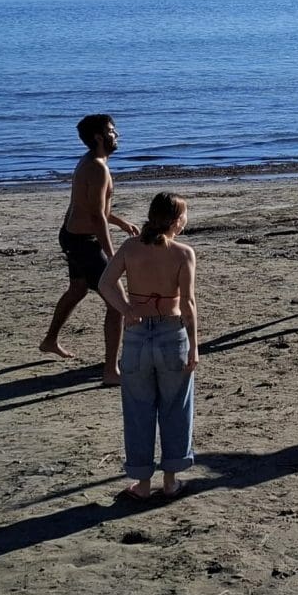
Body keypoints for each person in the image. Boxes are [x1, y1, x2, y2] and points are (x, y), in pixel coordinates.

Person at [99, 192, 198, 500]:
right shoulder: (183, 253)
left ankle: (142, 484)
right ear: (176, 221)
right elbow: (188, 303)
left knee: (138, 410)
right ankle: (170, 480)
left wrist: (127, 309)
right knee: (176, 407)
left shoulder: (131, 247)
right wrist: (194, 345)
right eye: (184, 215)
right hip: (171, 334)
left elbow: (105, 283)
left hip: (137, 336)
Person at [39, 114, 137, 384]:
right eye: (112, 131)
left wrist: (120, 222)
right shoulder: (96, 167)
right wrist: (113, 255)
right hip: (83, 242)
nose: (117, 134)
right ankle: (111, 371)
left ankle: (49, 341)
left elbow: (95, 208)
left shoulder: (93, 162)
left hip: (73, 236)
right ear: (98, 137)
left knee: (78, 289)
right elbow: (95, 217)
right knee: (117, 304)